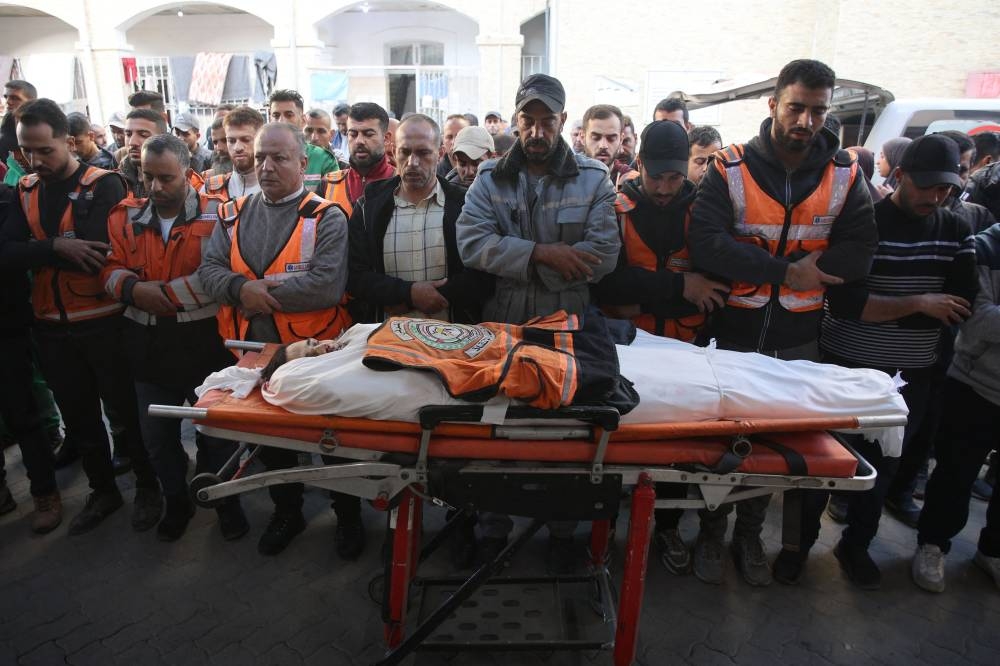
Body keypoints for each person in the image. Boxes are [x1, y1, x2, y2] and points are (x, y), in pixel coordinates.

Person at [688, 59, 877, 587]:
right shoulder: (729, 168)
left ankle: (749, 535)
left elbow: (862, 249)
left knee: (777, 452)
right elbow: (706, 243)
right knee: (723, 448)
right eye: (796, 107)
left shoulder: (845, 173)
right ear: (773, 105)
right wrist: (786, 271)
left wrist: (806, 275)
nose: (807, 121)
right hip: (732, 336)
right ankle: (710, 531)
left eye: (818, 110)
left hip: (799, 342)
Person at [457, 73, 619, 572]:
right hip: (502, 324)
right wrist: (544, 253)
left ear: (564, 122)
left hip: (569, 326)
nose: (536, 130)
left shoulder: (594, 179)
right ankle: (492, 531)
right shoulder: (489, 179)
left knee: (565, 435)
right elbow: (470, 243)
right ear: (515, 119)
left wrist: (520, 259)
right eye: (527, 119)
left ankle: (564, 534)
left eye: (547, 120)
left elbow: (604, 255)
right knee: (498, 433)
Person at [817, 134, 977, 589]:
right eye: (927, 187)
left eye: (945, 188)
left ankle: (857, 544)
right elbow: (848, 305)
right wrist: (920, 302)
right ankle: (797, 546)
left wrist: (894, 305)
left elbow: (960, 303)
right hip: (846, 365)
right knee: (827, 459)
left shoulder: (955, 230)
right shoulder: (864, 226)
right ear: (900, 177)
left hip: (911, 376)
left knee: (887, 465)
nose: (937, 196)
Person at [0, 99, 161, 536]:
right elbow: (6, 253)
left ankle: (149, 488)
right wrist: (55, 247)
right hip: (51, 326)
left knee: (126, 415)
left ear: (67, 141)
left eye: (44, 150)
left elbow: (98, 255)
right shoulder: (27, 189)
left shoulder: (104, 184)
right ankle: (103, 491)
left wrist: (42, 250)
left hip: (105, 322)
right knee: (80, 418)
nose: (35, 161)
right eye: (25, 152)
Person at [198, 122, 352, 557]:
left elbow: (326, 286)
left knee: (332, 443)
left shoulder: (326, 216)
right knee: (270, 443)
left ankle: (348, 515)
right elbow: (209, 271)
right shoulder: (231, 214)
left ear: (303, 164)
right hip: (253, 355)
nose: (266, 166)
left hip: (316, 355)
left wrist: (254, 293)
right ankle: (289, 512)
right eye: (262, 156)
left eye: (279, 158)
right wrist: (238, 289)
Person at [593, 120, 728, 578]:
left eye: (675, 177)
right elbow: (606, 282)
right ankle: (604, 528)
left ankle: (668, 526)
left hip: (684, 347)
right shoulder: (616, 208)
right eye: (657, 177)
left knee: (680, 449)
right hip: (627, 348)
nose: (667, 188)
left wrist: (648, 293)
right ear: (640, 167)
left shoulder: (706, 208)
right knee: (616, 441)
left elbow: (718, 285)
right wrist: (681, 285)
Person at [101, 134, 247, 542]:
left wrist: (153, 294)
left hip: (205, 344)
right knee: (158, 439)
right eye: (148, 177)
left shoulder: (220, 215)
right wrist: (131, 290)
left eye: (166, 178)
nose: (156, 187)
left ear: (189, 172)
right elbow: (109, 269)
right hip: (146, 347)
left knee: (214, 434)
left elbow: (217, 279)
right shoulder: (123, 216)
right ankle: (176, 501)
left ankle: (224, 501)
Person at [911, 221, 1000, 593]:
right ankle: (933, 545)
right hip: (976, 384)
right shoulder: (986, 247)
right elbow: (976, 321)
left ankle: (993, 551)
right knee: (955, 474)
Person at [0, 181, 62, 535]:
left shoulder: (7, 199)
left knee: (22, 413)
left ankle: (44, 492)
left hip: (6, 328)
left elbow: (10, 251)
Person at [267, 89, 339, 190]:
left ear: (303, 120)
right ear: (270, 119)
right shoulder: (260, 158)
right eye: (276, 115)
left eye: (289, 115)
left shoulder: (324, 159)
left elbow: (333, 199)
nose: (281, 121)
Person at [201, 106, 265, 200]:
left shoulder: (279, 188)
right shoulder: (209, 190)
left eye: (245, 140)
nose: (237, 148)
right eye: (231, 141)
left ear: (261, 140)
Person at [340, 102, 396, 204]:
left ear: (386, 138)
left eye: (368, 134)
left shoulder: (402, 183)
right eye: (353, 134)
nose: (359, 141)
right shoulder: (328, 185)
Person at [120, 108, 168, 197]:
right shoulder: (116, 180)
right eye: (128, 134)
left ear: (162, 138)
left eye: (143, 135)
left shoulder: (183, 181)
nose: (132, 142)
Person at [581, 104, 632, 185]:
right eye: (595, 137)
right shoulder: (565, 177)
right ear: (582, 137)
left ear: (621, 139)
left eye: (611, 138)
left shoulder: (632, 182)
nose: (603, 145)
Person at [437, 114, 470, 179]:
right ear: (443, 140)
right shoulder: (436, 175)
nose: (454, 142)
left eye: (459, 136)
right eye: (449, 137)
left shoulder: (481, 170)